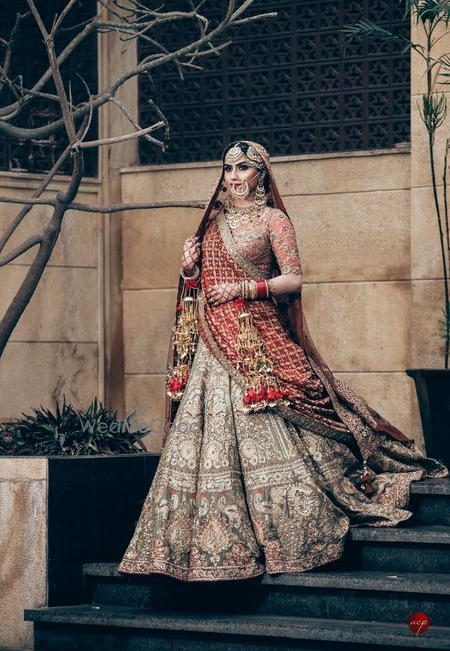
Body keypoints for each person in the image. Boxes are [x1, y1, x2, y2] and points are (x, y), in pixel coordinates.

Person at [118, 140, 448, 582]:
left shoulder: (274, 220)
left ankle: (290, 531)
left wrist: (243, 290)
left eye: (243, 168)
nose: (234, 177)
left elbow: (292, 279)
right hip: (212, 345)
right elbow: (197, 288)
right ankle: (198, 550)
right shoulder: (212, 224)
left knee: (287, 410)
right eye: (228, 169)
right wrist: (191, 270)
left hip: (258, 337)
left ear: (261, 174)